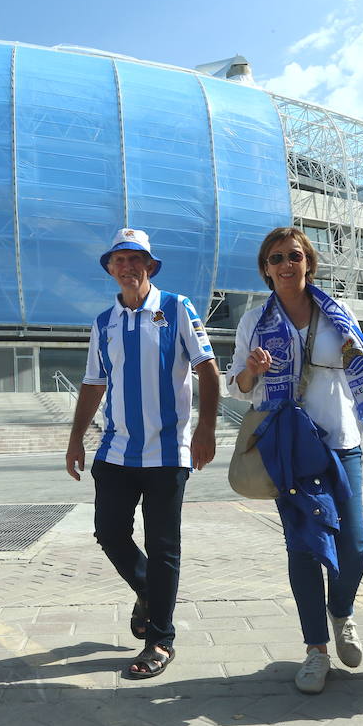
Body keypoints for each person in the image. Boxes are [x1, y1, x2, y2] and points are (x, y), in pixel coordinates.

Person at [225, 227, 363, 695]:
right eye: (277, 257)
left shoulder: (336, 316)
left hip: (340, 441)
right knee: (303, 548)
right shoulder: (253, 322)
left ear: (309, 263)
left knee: (354, 546)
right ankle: (315, 650)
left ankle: (341, 612)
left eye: (296, 255)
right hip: (288, 447)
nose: (287, 264)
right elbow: (237, 386)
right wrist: (253, 370)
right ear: (266, 268)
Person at [66, 228, 219, 681]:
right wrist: (75, 438)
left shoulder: (177, 308)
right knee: (109, 533)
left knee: (164, 546)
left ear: (150, 267)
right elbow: (94, 383)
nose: (128, 267)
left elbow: (208, 372)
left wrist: (206, 430)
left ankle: (160, 640)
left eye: (137, 260)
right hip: (115, 450)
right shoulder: (103, 322)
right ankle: (148, 591)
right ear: (110, 269)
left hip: (170, 452)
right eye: (120, 260)